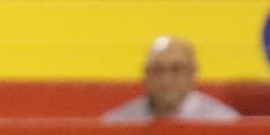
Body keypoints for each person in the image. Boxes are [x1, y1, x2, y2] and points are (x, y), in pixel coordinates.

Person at [103, 35, 241, 120]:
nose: (166, 79)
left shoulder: (222, 122)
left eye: (176, 69)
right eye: (158, 70)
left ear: (192, 73)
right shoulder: (119, 123)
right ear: (145, 75)